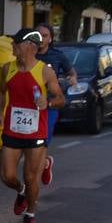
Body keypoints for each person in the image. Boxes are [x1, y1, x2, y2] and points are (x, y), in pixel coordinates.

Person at [0, 28, 65, 223]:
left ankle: (31, 214)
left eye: (16, 44)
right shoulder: (7, 68)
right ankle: (21, 192)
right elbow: (1, 92)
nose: (12, 47)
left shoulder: (45, 71)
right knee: (7, 175)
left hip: (35, 132)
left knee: (30, 176)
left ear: (29, 46)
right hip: (13, 129)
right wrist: (0, 111)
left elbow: (61, 99)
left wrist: (49, 103)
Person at [35, 23, 77, 188]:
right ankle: (45, 162)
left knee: (42, 142)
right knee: (30, 144)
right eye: (38, 35)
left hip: (50, 105)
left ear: (50, 39)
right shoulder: (28, 54)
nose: (41, 38)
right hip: (30, 106)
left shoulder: (57, 56)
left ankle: (33, 183)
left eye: (45, 35)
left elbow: (71, 72)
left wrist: (72, 78)